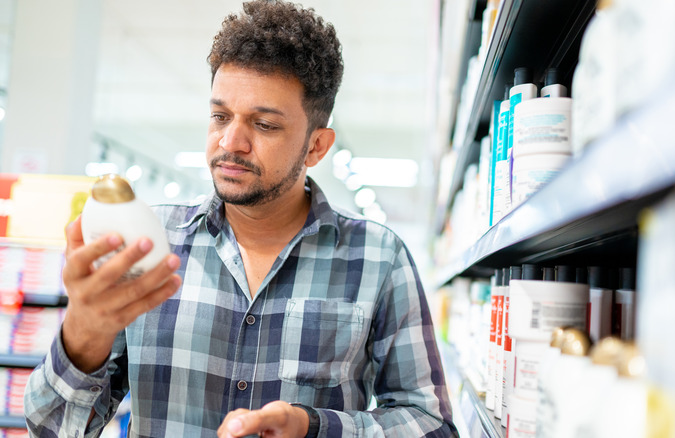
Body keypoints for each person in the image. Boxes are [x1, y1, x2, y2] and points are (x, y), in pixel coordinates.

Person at [23, 1, 458, 437]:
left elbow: (431, 424)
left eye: (264, 125)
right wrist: (83, 337)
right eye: (219, 116)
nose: (230, 141)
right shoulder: (150, 244)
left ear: (316, 147)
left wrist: (312, 428)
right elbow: (50, 427)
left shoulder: (378, 259)